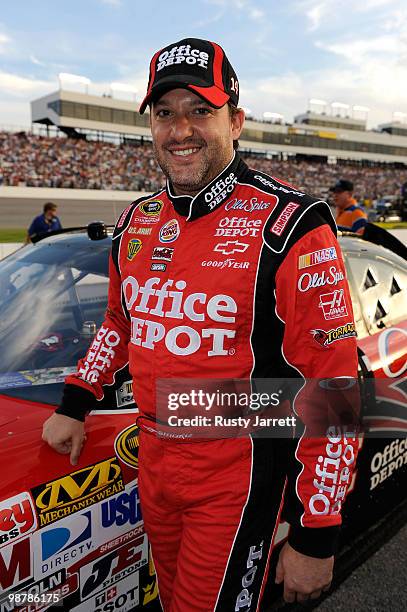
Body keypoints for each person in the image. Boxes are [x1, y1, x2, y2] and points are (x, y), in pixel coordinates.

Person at [43, 38, 360, 609]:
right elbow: (120, 321)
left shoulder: (290, 223)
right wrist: (74, 403)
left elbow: (334, 384)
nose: (180, 128)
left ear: (235, 121)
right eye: (165, 113)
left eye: (200, 110)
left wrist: (317, 533)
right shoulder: (136, 220)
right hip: (154, 464)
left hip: (236, 477)